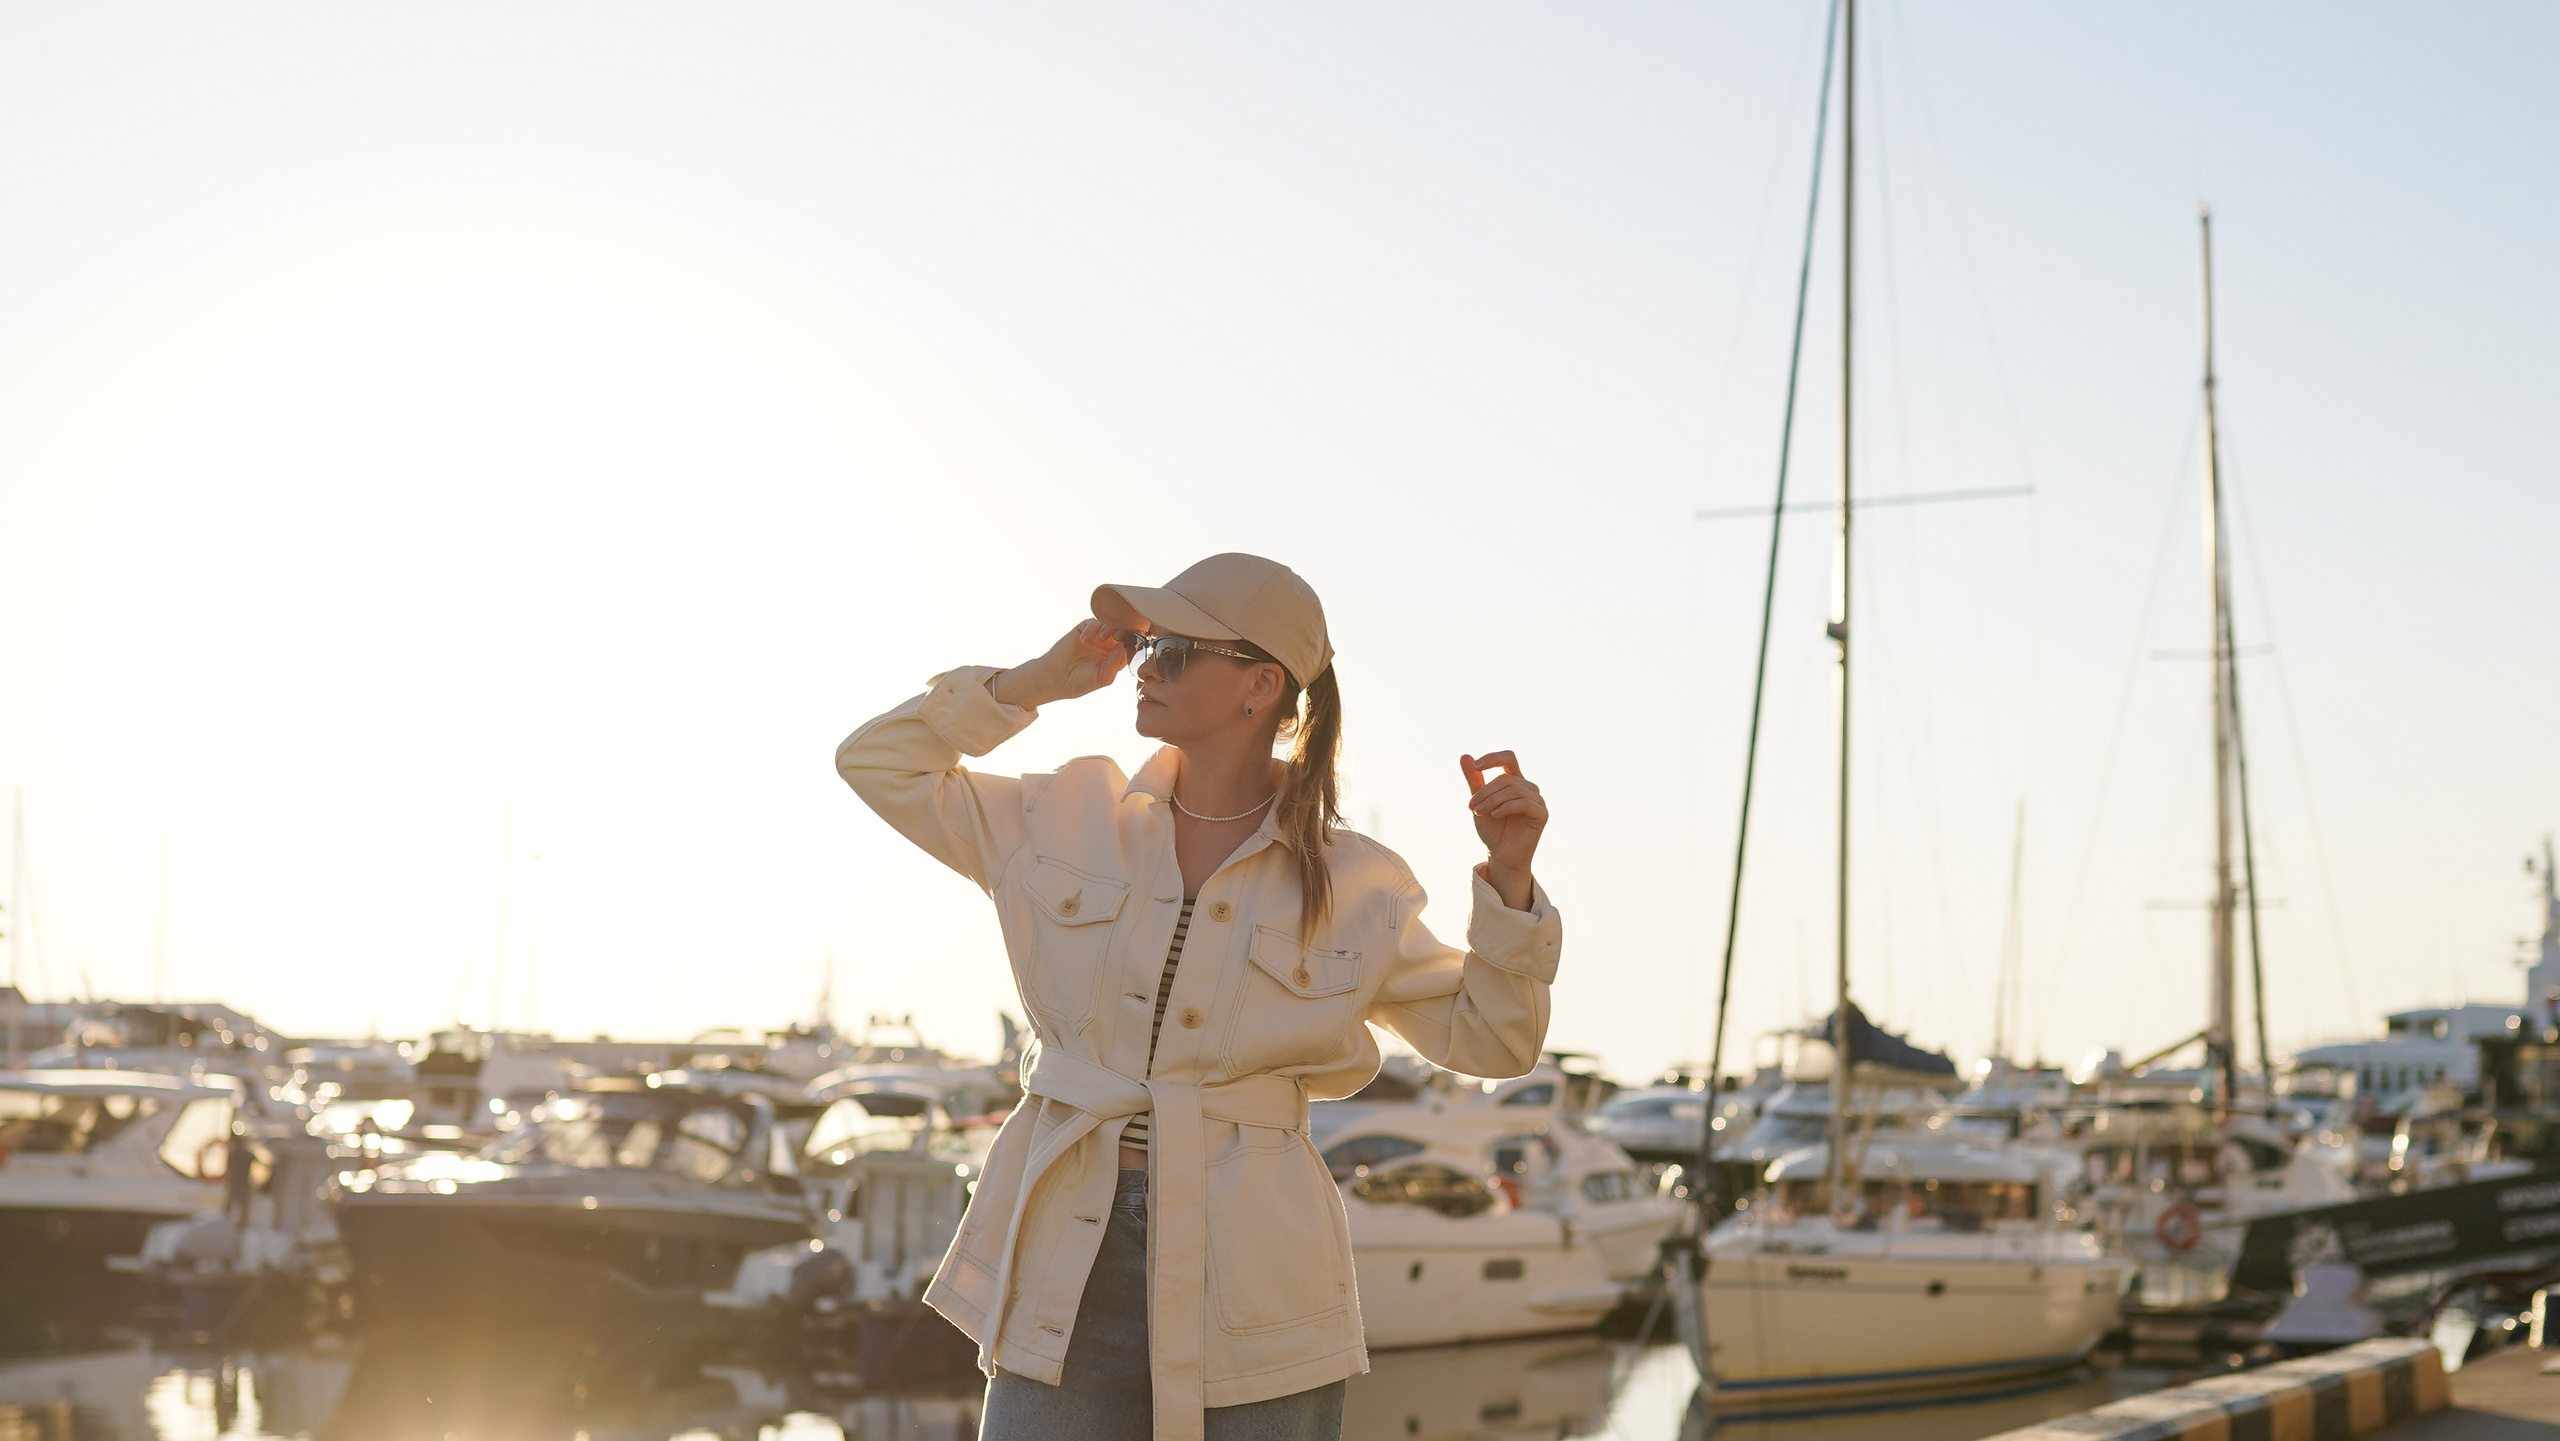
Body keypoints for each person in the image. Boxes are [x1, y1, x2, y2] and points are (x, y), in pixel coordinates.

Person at [836, 553, 1561, 1441]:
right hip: (1069, 1251)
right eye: (1147, 645)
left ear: (1261, 684)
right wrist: (1030, 684)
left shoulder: (1359, 883)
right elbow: (875, 762)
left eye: (1175, 649)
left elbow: (1493, 1042)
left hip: (1258, 1277)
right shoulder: (1058, 812)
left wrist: (1513, 882)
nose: (1145, 667)